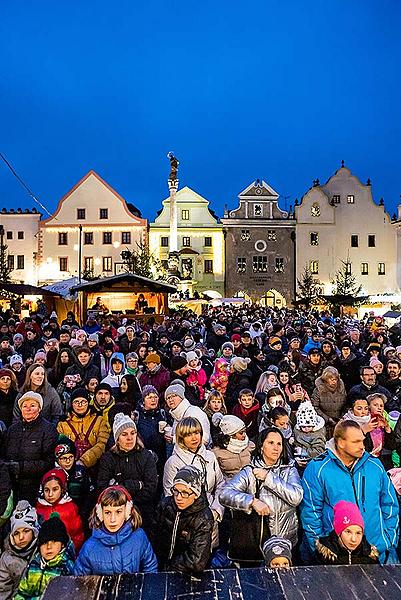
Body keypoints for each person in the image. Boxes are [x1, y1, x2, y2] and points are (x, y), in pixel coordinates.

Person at [301, 420, 399, 564]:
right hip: (337, 556)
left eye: (363, 441)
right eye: (356, 442)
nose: (362, 446)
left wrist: (388, 539)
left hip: (378, 550)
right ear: (340, 443)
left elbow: (390, 504)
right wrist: (322, 549)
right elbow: (311, 513)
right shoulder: (317, 468)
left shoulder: (375, 465)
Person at [220, 427, 303, 561]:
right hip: (257, 542)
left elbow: (296, 497)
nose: (276, 447)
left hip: (286, 541)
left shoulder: (289, 470)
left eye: (279, 443)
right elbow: (224, 494)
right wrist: (252, 501)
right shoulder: (250, 471)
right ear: (261, 446)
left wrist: (268, 477)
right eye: (271, 443)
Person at [163, 417, 224, 546]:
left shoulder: (210, 456)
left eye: (197, 433)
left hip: (211, 516)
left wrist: (216, 511)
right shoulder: (173, 462)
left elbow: (220, 485)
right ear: (181, 437)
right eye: (189, 434)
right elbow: (171, 495)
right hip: (188, 524)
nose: (194, 438)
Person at [73, 486, 157, 575]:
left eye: (118, 512)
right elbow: (80, 581)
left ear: (127, 512)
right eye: (107, 512)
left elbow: (150, 568)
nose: (112, 519)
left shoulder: (139, 537)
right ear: (100, 514)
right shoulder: (89, 547)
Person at [96, 413, 158, 531]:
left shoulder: (146, 456)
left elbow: (151, 488)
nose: (130, 438)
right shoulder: (108, 459)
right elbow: (103, 489)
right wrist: (133, 485)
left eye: (133, 433)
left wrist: (119, 488)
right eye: (124, 434)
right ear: (117, 438)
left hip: (143, 512)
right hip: (115, 513)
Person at [152, 465, 214, 575]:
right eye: (176, 491)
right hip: (160, 565)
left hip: (187, 574)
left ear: (195, 494)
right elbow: (154, 536)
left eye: (185, 493)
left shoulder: (204, 517)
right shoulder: (165, 505)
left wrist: (169, 569)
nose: (179, 498)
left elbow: (196, 561)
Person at [4, 391, 58, 504]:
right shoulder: (12, 430)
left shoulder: (48, 429)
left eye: (32, 405)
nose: (28, 409)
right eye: (25, 406)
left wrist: (21, 467)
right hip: (11, 486)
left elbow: (48, 462)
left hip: (35, 487)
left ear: (39, 409)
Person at [14, 516, 75, 600]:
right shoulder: (34, 564)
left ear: (62, 544)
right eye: (44, 543)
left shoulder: (66, 566)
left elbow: (65, 596)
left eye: (54, 541)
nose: (49, 546)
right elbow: (22, 592)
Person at [57, 388, 110, 469]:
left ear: (88, 403)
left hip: (96, 466)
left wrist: (84, 461)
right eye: (76, 402)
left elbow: (102, 444)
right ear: (71, 404)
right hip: (69, 466)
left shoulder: (99, 421)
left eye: (83, 402)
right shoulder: (62, 424)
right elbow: (60, 447)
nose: (80, 405)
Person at [35, 468, 84, 552]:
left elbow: (77, 535)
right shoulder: (38, 509)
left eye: (55, 489)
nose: (50, 494)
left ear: (62, 489)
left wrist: (70, 551)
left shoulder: (71, 508)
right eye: (46, 490)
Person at [315, 500, 379, 565]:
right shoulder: (324, 556)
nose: (353, 539)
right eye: (348, 532)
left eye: (358, 533)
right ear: (338, 533)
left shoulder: (369, 556)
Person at [0, 501, 39, 600]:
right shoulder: (6, 559)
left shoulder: (43, 551)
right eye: (16, 533)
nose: (21, 537)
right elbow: (3, 591)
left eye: (26, 531)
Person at [165, 382, 211, 446]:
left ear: (182, 397)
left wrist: (175, 440)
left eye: (174, 396)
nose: (170, 400)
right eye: (168, 398)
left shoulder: (194, 412)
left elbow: (204, 439)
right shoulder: (176, 415)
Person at [212, 413, 255, 480]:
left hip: (250, 481)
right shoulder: (217, 452)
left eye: (245, 431)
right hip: (228, 484)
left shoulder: (250, 446)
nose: (244, 435)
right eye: (241, 433)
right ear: (231, 434)